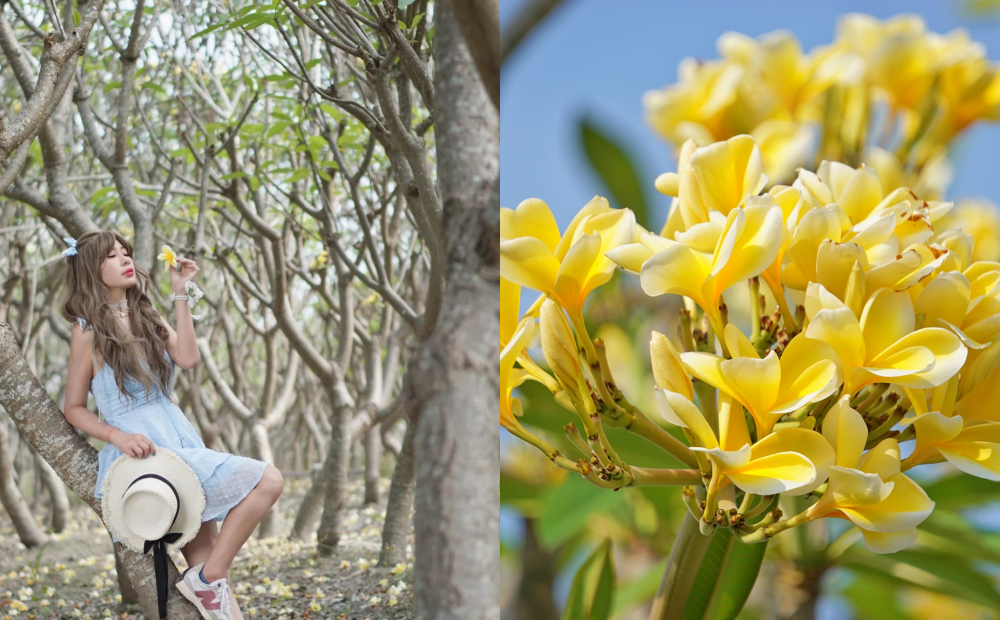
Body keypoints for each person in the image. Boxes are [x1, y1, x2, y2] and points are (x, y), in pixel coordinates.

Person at [61, 231, 284, 620]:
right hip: (145, 449)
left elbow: (188, 357)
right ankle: (207, 580)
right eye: (111, 256)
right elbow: (74, 408)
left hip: (180, 437)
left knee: (214, 587)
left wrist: (181, 292)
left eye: (126, 252)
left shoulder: (146, 315)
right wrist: (118, 435)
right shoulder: (87, 331)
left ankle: (208, 580)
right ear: (90, 271)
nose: (125, 259)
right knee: (269, 479)